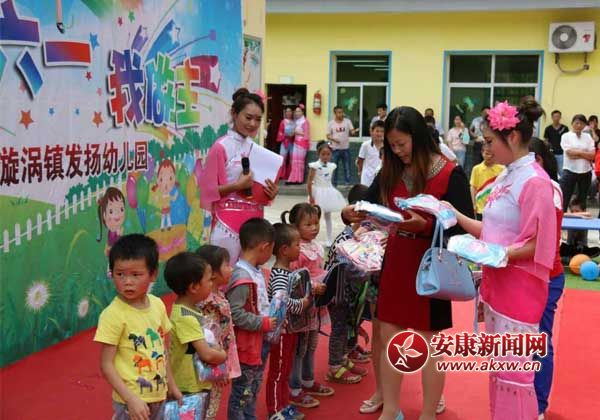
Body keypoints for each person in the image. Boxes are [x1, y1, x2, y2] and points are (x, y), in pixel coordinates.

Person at [342, 106, 473, 420]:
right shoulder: (390, 169)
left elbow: (463, 227)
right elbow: (368, 203)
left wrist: (425, 226)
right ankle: (391, 409)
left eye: (402, 144)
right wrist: (352, 212)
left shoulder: (449, 173)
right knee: (390, 339)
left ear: (418, 137)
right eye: (392, 145)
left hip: (431, 265)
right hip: (397, 261)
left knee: (429, 343)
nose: (397, 151)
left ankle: (428, 413)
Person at [450, 97, 556, 420]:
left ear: (512, 137)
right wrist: (453, 214)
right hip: (497, 287)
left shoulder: (535, 181)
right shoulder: (506, 176)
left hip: (519, 292)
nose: (486, 148)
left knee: (515, 376)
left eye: (489, 141)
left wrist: (499, 254)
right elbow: (491, 229)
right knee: (500, 370)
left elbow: (540, 243)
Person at [94, 234, 182, 420]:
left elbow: (161, 350)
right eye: (120, 274)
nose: (127, 281)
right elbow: (106, 364)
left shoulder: (157, 305)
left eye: (136, 275)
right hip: (131, 401)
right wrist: (130, 399)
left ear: (153, 274)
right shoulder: (113, 315)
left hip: (159, 396)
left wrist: (171, 385)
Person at [200, 88, 279, 263]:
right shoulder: (220, 147)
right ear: (234, 114)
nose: (253, 123)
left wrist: (271, 193)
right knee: (225, 273)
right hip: (226, 225)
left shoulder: (256, 149)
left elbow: (260, 190)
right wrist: (237, 186)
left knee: (249, 274)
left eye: (258, 119)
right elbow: (207, 191)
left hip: (255, 226)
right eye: (248, 117)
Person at [282, 204, 334, 409]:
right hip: (302, 307)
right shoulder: (296, 251)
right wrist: (312, 286)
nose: (314, 228)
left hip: (315, 306)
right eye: (308, 224)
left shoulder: (316, 246)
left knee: (312, 344)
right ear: (295, 226)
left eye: (316, 223)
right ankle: (294, 388)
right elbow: (293, 280)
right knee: (299, 347)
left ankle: (308, 380)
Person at [226, 218, 277, 420]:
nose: (271, 255)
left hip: (259, 341)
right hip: (247, 345)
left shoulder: (254, 270)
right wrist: (263, 323)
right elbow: (235, 313)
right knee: (242, 392)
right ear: (264, 247)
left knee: (253, 387)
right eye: (271, 250)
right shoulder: (241, 276)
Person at [528, 138, 564, 420]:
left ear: (537, 160)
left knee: (540, 341)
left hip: (546, 276)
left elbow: (540, 238)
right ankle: (521, 396)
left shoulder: (549, 188)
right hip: (522, 276)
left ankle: (538, 405)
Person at [165, 252, 227, 416]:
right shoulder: (186, 318)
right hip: (188, 387)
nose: (212, 283)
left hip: (194, 383)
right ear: (193, 287)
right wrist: (223, 356)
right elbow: (207, 354)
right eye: (209, 280)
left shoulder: (190, 310)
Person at [325, 185, 371, 390]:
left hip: (348, 293)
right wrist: (372, 271)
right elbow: (350, 269)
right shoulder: (345, 239)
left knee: (345, 327)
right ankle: (334, 366)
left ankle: (342, 358)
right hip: (337, 294)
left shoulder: (355, 236)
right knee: (339, 329)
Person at [265, 223, 312, 420]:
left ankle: (284, 405)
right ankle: (275, 410)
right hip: (281, 331)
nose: (300, 248)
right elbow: (280, 301)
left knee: (285, 370)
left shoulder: (286, 272)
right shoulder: (280, 275)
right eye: (297, 245)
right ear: (284, 249)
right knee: (278, 372)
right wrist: (302, 303)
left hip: (289, 330)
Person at [195, 245, 241, 419]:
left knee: (210, 405)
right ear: (212, 273)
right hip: (210, 366)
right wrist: (218, 369)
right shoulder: (208, 303)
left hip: (217, 359)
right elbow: (208, 339)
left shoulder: (218, 296)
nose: (231, 268)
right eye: (227, 265)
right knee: (206, 407)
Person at [307, 141, 347, 246]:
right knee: (315, 217)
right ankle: (312, 238)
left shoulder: (332, 166)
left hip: (328, 192)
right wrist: (311, 196)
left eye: (328, 154)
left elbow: (328, 180)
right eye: (323, 154)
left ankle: (329, 239)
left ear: (331, 155)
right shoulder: (314, 166)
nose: (325, 156)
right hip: (317, 193)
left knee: (328, 216)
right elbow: (309, 182)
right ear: (318, 154)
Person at [559, 114, 595, 212]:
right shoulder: (566, 136)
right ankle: (562, 218)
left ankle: (580, 219)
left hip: (585, 171)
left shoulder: (588, 137)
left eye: (582, 123)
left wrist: (578, 153)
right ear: (572, 123)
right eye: (577, 123)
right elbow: (569, 154)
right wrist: (585, 154)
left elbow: (592, 155)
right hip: (570, 170)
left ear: (585, 125)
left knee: (582, 199)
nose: (579, 125)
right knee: (565, 197)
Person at [470, 145, 504, 219]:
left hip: (495, 207)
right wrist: (473, 204)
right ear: (482, 153)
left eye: (492, 154)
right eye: (487, 153)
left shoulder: (502, 169)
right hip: (480, 207)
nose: (489, 156)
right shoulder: (476, 169)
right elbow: (473, 187)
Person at [327, 106, 359, 186]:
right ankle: (334, 184)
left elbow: (352, 131)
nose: (341, 114)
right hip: (335, 149)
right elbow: (328, 135)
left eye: (342, 112)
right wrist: (334, 139)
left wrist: (354, 131)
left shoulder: (347, 121)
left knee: (347, 167)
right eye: (339, 112)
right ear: (335, 113)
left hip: (345, 148)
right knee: (334, 168)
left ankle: (347, 183)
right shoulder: (331, 123)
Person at [357, 120, 384, 187]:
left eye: (382, 131)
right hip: (367, 179)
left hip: (381, 178)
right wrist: (360, 172)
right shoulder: (365, 145)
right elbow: (360, 161)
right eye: (377, 131)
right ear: (372, 131)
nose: (379, 134)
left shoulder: (387, 146)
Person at [288, 105, 310, 184]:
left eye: (299, 111)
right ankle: (293, 179)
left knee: (300, 162)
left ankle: (299, 180)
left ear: (302, 112)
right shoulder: (296, 122)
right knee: (294, 162)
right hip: (296, 143)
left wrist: (297, 132)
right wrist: (292, 132)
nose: (297, 113)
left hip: (302, 144)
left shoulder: (305, 122)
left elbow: (306, 135)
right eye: (296, 111)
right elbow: (293, 133)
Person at [543, 110, 568, 177]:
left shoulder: (564, 128)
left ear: (560, 117)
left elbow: (567, 140)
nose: (556, 118)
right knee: (550, 171)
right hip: (551, 154)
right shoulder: (548, 129)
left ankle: (561, 184)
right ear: (552, 117)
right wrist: (548, 146)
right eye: (555, 116)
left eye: (558, 116)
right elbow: (545, 140)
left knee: (561, 172)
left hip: (561, 153)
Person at [277, 106, 296, 180]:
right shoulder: (283, 122)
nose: (288, 113)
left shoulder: (294, 122)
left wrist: (293, 135)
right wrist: (286, 135)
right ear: (285, 113)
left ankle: (290, 175)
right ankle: (281, 175)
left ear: (292, 113)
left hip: (292, 142)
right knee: (282, 159)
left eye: (290, 111)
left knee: (292, 159)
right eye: (287, 111)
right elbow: (280, 132)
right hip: (284, 142)